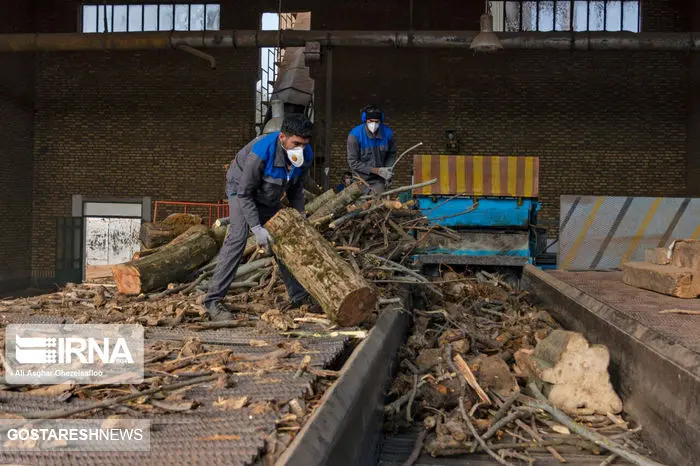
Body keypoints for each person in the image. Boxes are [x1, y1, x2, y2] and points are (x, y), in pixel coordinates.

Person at [204, 114, 314, 321]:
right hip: (240, 189)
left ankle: (299, 296)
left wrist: (301, 216)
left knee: (282, 238)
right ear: (282, 137)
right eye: (296, 143)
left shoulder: (305, 154)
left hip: (268, 193)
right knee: (238, 237)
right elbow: (245, 194)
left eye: (304, 144)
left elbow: (296, 190)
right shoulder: (261, 154)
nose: (300, 148)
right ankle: (213, 301)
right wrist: (256, 227)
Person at [347, 104, 397, 194]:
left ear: (380, 121)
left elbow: (391, 154)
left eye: (376, 121)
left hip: (378, 180)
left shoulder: (388, 134)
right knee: (360, 207)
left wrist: (388, 171)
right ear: (365, 120)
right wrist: (377, 171)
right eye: (370, 121)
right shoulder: (355, 136)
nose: (373, 124)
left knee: (378, 204)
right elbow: (353, 162)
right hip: (360, 179)